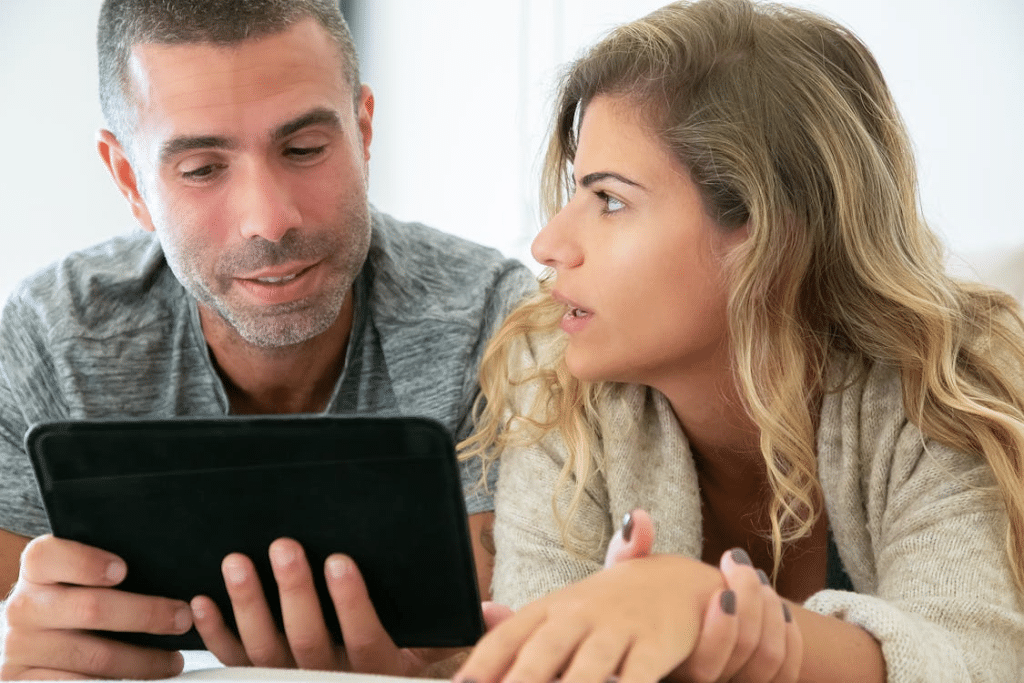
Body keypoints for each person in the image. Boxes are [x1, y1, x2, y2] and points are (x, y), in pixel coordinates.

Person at [454, 0, 1024, 681]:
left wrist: (709, 612)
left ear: (769, 232)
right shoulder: (559, 388)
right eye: (578, 191)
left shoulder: (947, 381)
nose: (547, 245)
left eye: (610, 200)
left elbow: (982, 661)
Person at [0, 0, 533, 679]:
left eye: (304, 149)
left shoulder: (491, 324)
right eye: (202, 169)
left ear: (363, 131)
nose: (269, 220)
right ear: (130, 180)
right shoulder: (51, 341)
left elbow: (494, 634)